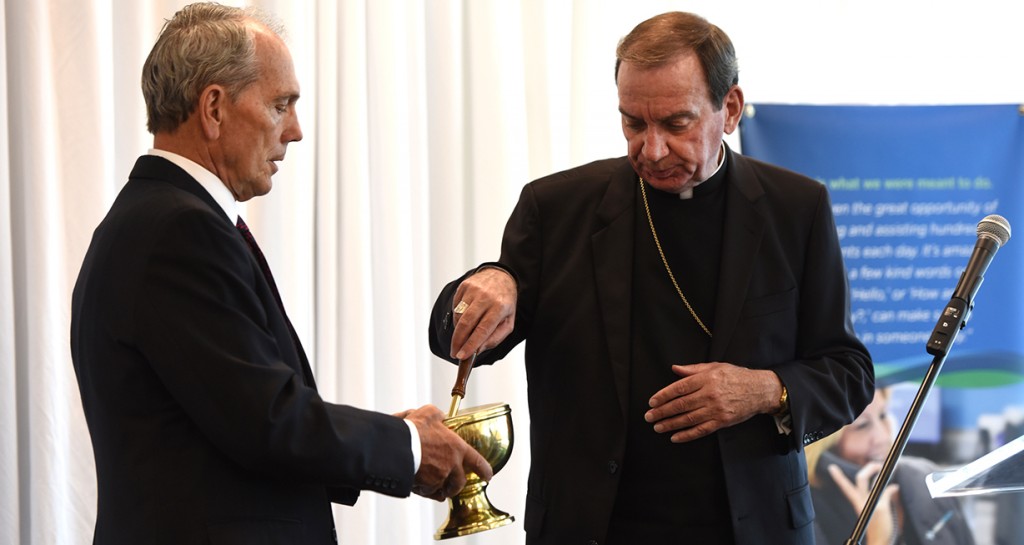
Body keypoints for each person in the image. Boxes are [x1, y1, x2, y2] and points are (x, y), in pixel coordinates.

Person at [427, 11, 873, 545]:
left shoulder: (795, 209)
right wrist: (489, 282)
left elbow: (847, 372)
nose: (651, 149)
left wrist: (762, 389)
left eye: (676, 124)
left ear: (729, 109)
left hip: (750, 528)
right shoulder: (557, 208)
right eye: (633, 123)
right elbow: (453, 338)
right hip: (596, 527)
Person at [70, 3, 490, 543]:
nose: (294, 130)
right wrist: (406, 445)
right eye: (280, 105)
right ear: (214, 108)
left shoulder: (158, 219)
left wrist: (392, 436)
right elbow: (268, 421)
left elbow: (244, 411)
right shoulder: (176, 230)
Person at [806, 389, 977, 545]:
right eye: (862, 426)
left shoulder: (922, 476)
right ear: (825, 444)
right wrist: (878, 539)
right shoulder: (809, 511)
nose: (882, 437)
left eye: (883, 415)